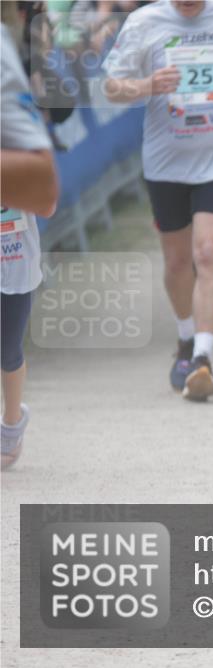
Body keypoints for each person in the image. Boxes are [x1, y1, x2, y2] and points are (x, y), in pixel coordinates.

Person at [101, 0, 213, 401]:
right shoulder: (144, 22)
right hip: (166, 160)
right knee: (177, 261)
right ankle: (186, 339)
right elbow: (110, 86)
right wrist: (147, 86)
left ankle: (204, 359)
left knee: (209, 252)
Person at [1, 21, 60, 470]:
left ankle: (12, 421)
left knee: (7, 348)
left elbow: (48, 204)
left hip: (13, 255)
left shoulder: (18, 131)